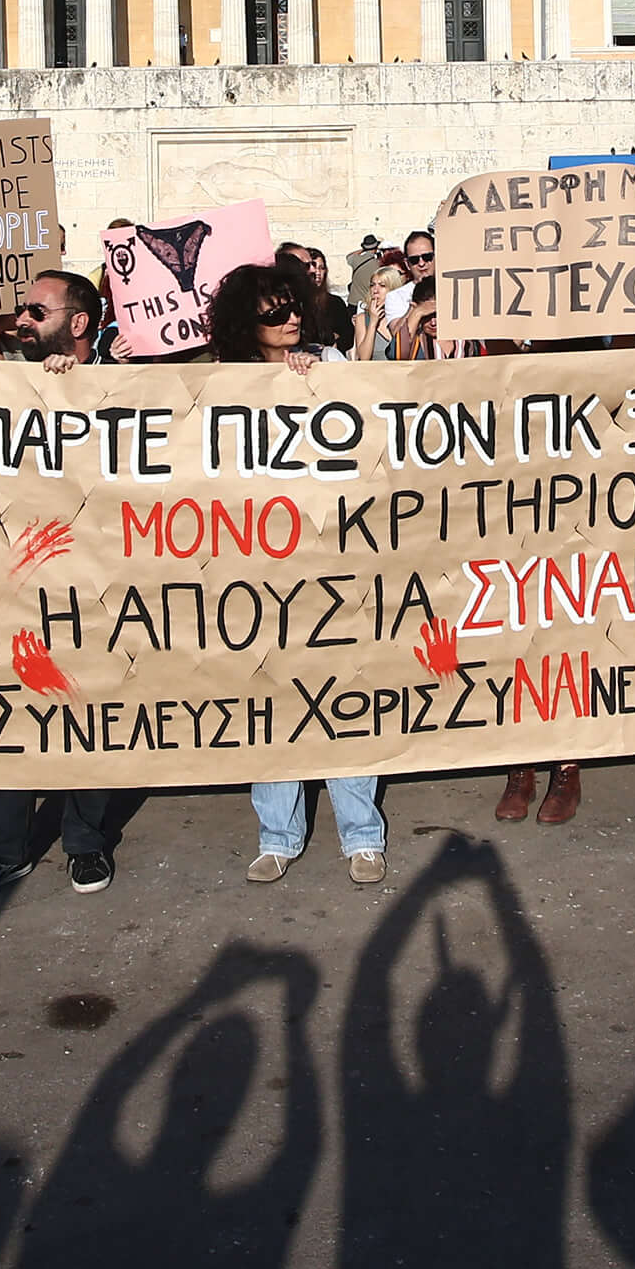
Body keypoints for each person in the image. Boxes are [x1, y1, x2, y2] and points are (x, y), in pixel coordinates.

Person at [0, 270, 123, 900]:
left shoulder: (123, 382)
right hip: (12, 584)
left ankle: (85, 842)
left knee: (90, 712)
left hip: (100, 584)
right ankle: (4, 851)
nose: (20, 319)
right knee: (11, 714)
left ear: (79, 323)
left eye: (34, 310)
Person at [217, 262, 387, 883]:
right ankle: (278, 834)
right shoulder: (216, 382)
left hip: (334, 559)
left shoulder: (331, 366)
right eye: (271, 311)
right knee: (269, 696)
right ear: (243, 321)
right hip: (253, 565)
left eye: (293, 306)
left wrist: (321, 388)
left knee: (345, 693)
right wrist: (62, 378)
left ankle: (361, 834)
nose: (288, 319)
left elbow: (381, 423)